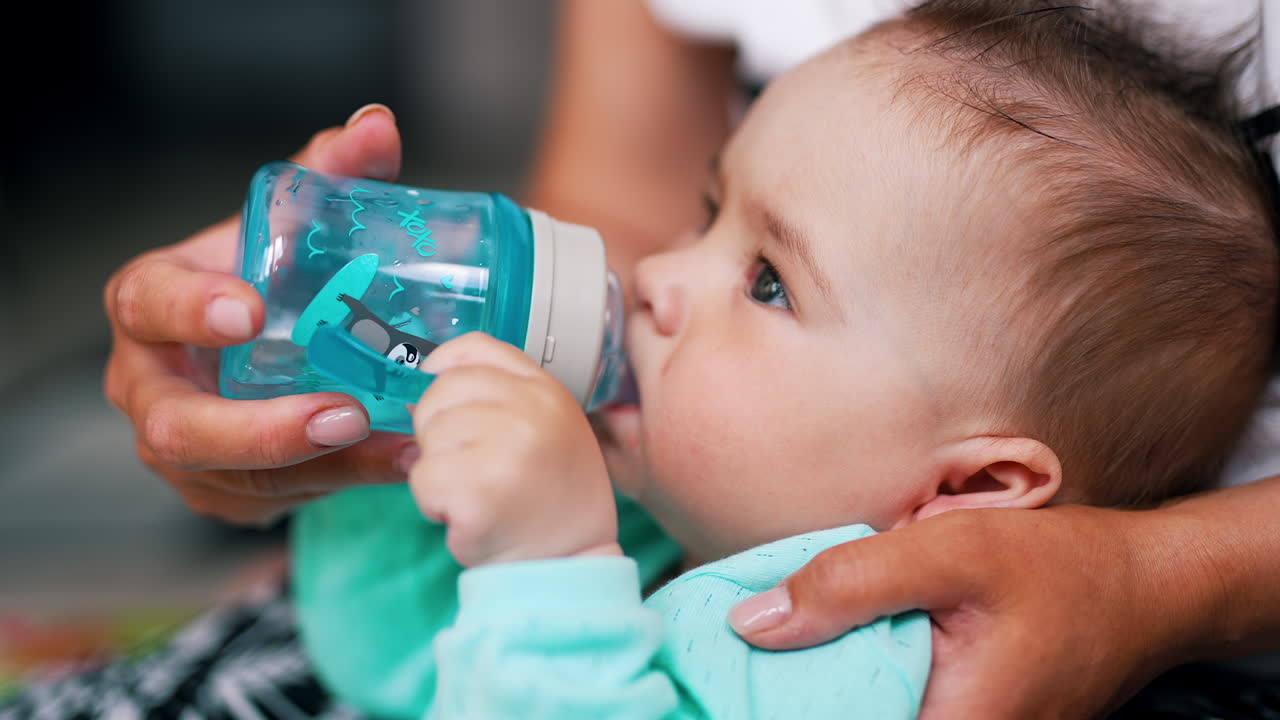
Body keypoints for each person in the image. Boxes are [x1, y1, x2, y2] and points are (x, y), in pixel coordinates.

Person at [14, 1, 1270, 720]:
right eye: (712, 208)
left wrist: (546, 565)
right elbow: (387, 658)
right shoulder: (711, 503)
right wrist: (392, 417)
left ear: (967, 498)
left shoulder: (863, 653)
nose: (658, 276)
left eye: (765, 281)